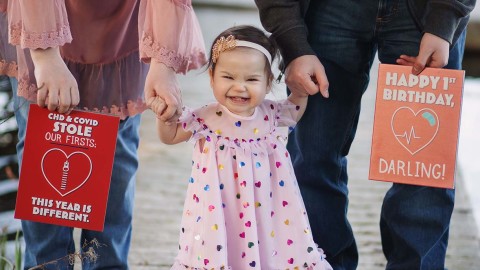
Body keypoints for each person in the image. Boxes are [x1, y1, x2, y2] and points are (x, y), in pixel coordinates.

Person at [254, 0, 476, 269]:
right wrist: (292, 41)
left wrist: (444, 20)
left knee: (423, 169)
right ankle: (321, 264)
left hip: (426, 11)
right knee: (313, 158)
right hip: (328, 11)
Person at [0, 0, 206, 269]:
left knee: (116, 166)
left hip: (122, 35)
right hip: (40, 19)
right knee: (43, 166)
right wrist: (45, 55)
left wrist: (162, 64)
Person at [150, 25, 333, 270]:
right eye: (228, 77)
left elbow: (294, 111)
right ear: (212, 77)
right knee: (223, 249)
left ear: (268, 83)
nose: (240, 86)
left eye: (252, 79)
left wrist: (301, 91)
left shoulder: (270, 114)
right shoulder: (206, 117)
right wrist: (165, 115)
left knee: (270, 248)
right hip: (220, 208)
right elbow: (170, 136)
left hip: (266, 207)